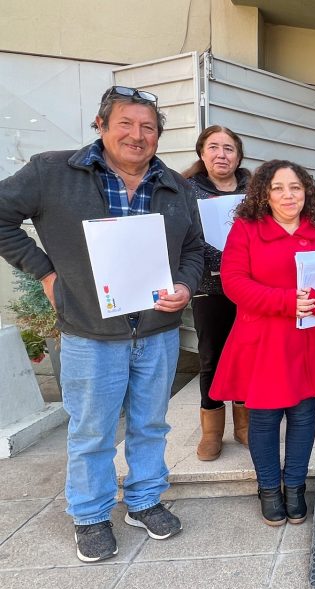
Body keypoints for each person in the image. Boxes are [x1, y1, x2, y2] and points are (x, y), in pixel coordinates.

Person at [0, 86, 203, 562]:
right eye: (126, 124)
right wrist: (45, 273)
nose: (137, 135)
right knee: (92, 430)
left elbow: (193, 249)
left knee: (151, 424)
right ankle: (90, 515)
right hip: (91, 333)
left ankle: (144, 500)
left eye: (148, 127)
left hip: (156, 331)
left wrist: (186, 286)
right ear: (102, 125)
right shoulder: (53, 172)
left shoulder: (174, 185)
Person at [210, 160, 315, 526]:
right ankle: (269, 488)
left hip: (310, 337)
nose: (288, 195)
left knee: (304, 416)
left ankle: (295, 485)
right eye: (278, 188)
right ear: (264, 194)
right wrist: (287, 302)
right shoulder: (246, 229)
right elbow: (234, 281)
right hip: (265, 339)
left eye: (295, 187)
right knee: (265, 417)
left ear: (307, 191)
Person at [182, 125, 252, 461]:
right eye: (214, 147)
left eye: (228, 148)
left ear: (239, 156)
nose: (221, 154)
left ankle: (244, 423)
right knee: (211, 356)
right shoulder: (186, 190)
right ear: (202, 153)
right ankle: (212, 431)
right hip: (209, 287)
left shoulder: (255, 189)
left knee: (247, 355)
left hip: (251, 287)